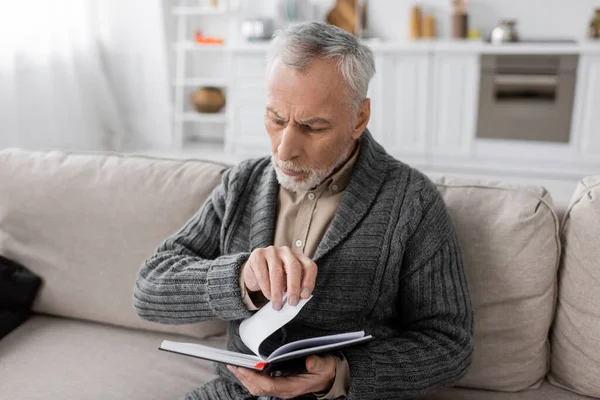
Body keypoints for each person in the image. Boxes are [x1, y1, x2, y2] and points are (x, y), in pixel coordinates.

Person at [133, 21, 473, 400]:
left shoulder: (412, 203)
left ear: (359, 118)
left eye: (312, 127)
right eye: (276, 119)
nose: (284, 149)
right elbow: (149, 289)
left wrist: (341, 373)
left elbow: (450, 344)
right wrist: (241, 278)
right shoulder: (242, 183)